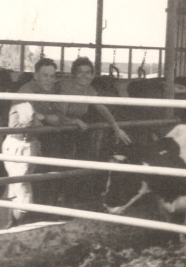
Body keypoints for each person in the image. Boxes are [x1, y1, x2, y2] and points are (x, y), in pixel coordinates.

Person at [54, 57, 131, 204]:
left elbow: (102, 109)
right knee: (64, 162)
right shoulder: (66, 89)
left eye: (88, 73)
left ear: (92, 75)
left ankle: (76, 198)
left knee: (82, 159)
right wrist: (75, 121)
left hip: (74, 129)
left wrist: (116, 128)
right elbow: (58, 116)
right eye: (80, 72)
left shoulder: (89, 90)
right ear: (73, 74)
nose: (84, 76)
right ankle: (61, 199)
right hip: (57, 130)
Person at [0, 58, 62, 228]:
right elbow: (29, 119)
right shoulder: (26, 90)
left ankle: (4, 228)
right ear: (36, 75)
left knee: (15, 189)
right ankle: (14, 230)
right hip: (18, 145)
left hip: (32, 143)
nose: (49, 80)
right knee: (24, 198)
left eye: (52, 76)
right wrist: (43, 118)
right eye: (45, 75)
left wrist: (42, 117)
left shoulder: (48, 93)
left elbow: (58, 117)